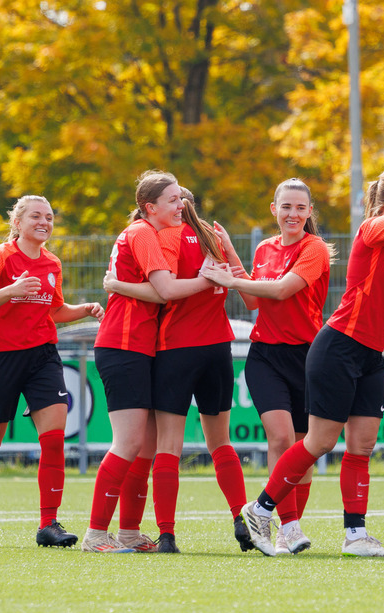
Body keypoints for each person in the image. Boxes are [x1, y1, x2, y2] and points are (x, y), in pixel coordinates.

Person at [237, 150, 384, 557]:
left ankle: (355, 535)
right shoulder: (374, 227)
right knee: (321, 441)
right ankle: (259, 509)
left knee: (362, 446)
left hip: (370, 355)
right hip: (339, 346)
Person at [104, 187, 251, 553]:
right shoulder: (215, 236)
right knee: (221, 442)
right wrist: (228, 249)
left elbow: (163, 289)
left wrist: (117, 285)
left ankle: (167, 535)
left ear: (175, 205)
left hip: (176, 349)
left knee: (168, 445)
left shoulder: (164, 235)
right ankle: (242, 519)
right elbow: (244, 289)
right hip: (219, 346)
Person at [0, 195, 104, 548]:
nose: (44, 222)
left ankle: (48, 524)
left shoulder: (52, 262)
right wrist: (12, 290)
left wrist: (82, 309)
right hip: (2, 357)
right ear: (17, 223)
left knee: (53, 437)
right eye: (36, 216)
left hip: (42, 356)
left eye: (49, 217)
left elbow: (54, 309)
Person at [83, 171, 213, 553]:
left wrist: (118, 285)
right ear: (149, 207)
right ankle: (95, 534)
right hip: (123, 344)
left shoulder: (150, 233)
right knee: (128, 442)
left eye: (181, 199)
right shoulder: (142, 233)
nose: (181, 206)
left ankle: (127, 533)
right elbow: (167, 291)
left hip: (141, 346)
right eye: (173, 200)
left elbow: (155, 291)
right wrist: (211, 279)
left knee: (146, 445)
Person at [202, 178, 332, 555]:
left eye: (300, 208)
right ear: (274, 210)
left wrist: (229, 276)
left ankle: (284, 530)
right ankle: (288, 526)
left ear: (309, 213)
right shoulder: (264, 248)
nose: (293, 214)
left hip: (307, 357)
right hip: (265, 357)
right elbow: (253, 300)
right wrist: (230, 255)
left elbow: (279, 290)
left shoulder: (315, 248)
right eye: (286, 207)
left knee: (304, 459)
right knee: (280, 438)